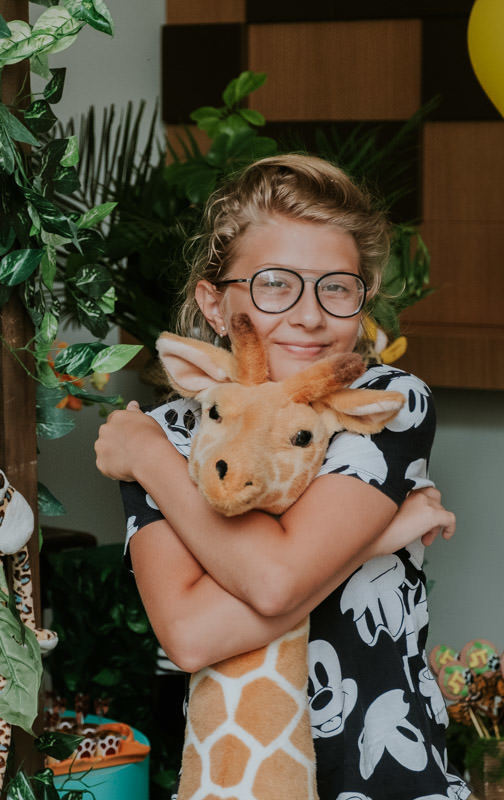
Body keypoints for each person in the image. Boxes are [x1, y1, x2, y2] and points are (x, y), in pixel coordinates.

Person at [94, 154, 470, 798]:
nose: (310, 315)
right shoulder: (173, 431)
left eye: (337, 287)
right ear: (215, 303)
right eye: (275, 284)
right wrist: (377, 537)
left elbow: (273, 581)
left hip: (391, 779)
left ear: (362, 299)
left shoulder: (384, 406)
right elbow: (189, 636)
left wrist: (149, 463)